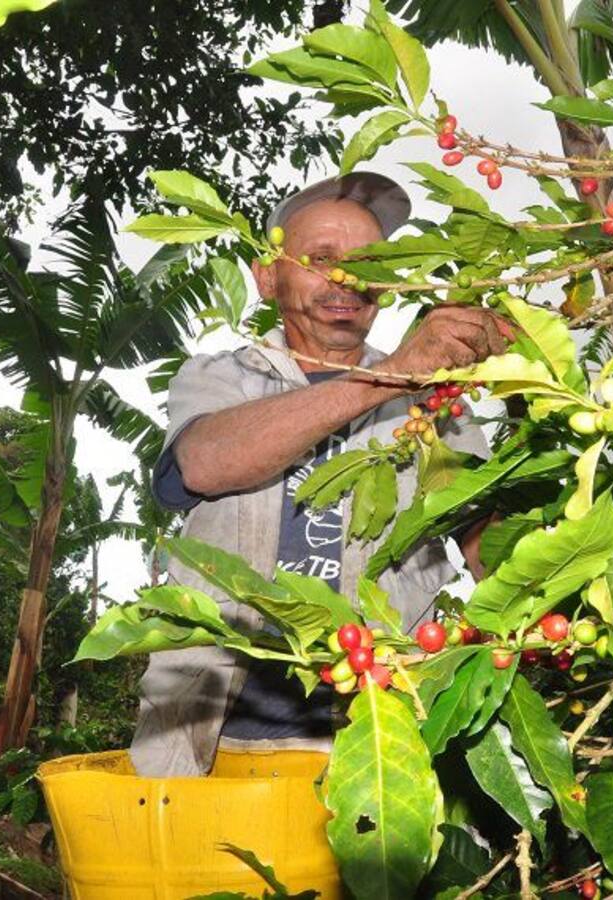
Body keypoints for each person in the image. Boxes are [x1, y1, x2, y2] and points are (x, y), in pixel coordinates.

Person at [128, 172, 513, 776]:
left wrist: (529, 392)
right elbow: (205, 462)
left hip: (377, 735)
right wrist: (392, 377)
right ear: (267, 278)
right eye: (321, 259)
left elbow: (486, 538)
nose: (347, 280)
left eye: (369, 263)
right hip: (212, 736)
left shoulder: (436, 402)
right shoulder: (219, 377)